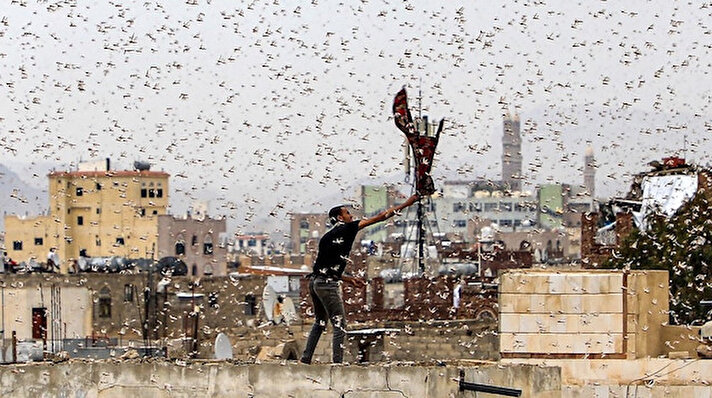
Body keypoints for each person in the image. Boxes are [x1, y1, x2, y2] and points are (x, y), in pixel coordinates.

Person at [300, 193, 419, 364]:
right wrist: (407, 203)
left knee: (319, 322)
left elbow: (325, 267)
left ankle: (306, 358)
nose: (351, 216)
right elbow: (380, 217)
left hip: (315, 282)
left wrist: (349, 280)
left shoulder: (326, 237)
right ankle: (337, 364)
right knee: (340, 326)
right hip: (327, 284)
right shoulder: (347, 228)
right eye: (348, 213)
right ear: (340, 218)